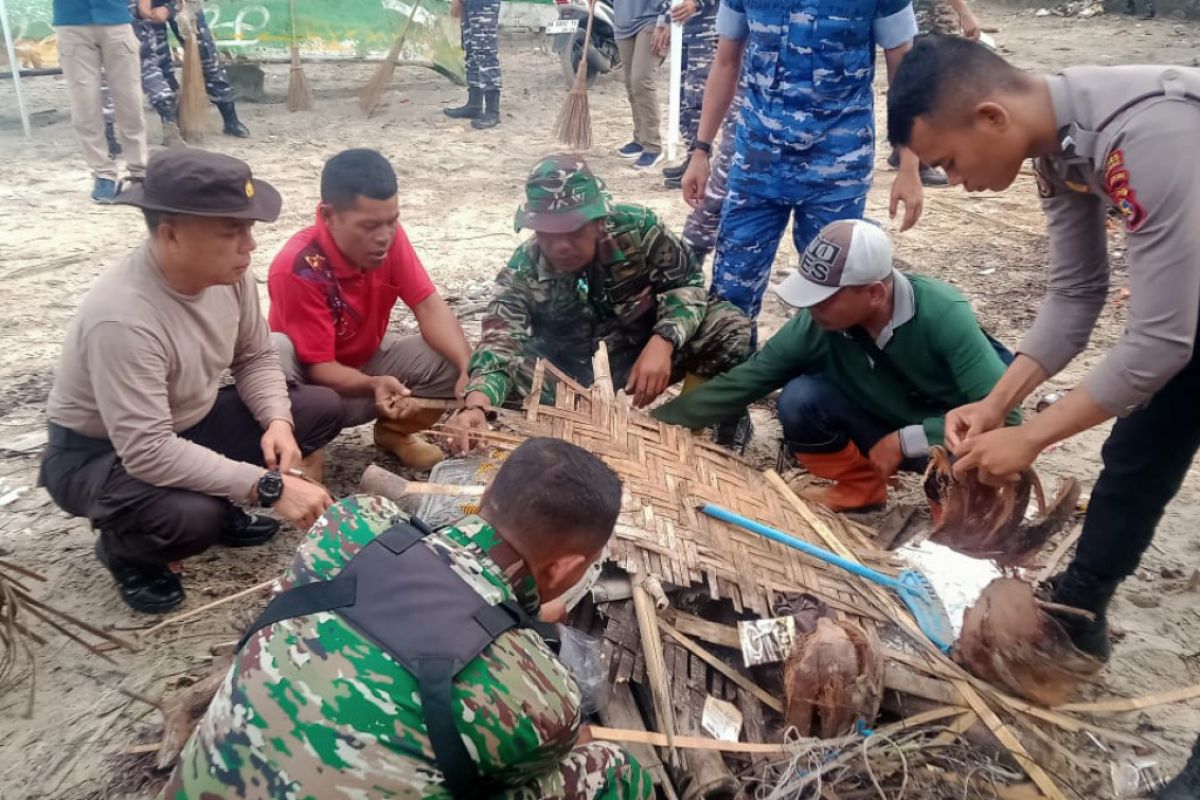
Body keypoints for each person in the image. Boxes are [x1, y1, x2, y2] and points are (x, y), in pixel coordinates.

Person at [886, 35, 1200, 660]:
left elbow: (1162, 340)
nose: (956, 180)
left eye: (948, 160)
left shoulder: (1149, 136)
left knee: (1148, 424)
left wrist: (1030, 438)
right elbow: (1077, 295)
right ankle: (1081, 608)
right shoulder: (1057, 148)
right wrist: (998, 405)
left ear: (991, 118)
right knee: (1139, 446)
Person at [161, 438, 655, 800]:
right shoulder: (545, 696)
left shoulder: (352, 524)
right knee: (611, 771)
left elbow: (439, 594)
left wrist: (521, 612)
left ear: (484, 501)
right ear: (568, 567)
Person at [39, 150, 344, 615]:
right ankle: (128, 550)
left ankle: (218, 504)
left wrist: (277, 421)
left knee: (317, 408)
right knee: (188, 518)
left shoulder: (228, 273)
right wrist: (270, 487)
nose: (250, 246)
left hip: (181, 424)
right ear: (171, 234)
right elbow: (147, 449)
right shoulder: (122, 317)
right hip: (98, 456)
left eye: (248, 230)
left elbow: (255, 355)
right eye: (231, 232)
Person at [653, 220, 1018, 512]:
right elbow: (748, 380)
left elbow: (1007, 419)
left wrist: (908, 440)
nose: (811, 309)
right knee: (799, 398)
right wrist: (655, 426)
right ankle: (862, 488)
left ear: (874, 293)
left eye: (824, 299)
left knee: (975, 462)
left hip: (941, 438)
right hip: (875, 429)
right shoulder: (817, 324)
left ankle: (954, 507)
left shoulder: (943, 314)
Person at [447, 154, 752, 453]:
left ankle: (693, 422)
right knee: (509, 384)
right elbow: (500, 343)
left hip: (640, 352)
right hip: (570, 370)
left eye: (574, 230)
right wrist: (478, 404)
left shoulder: (639, 230)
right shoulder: (523, 269)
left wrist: (665, 340)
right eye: (548, 233)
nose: (561, 245)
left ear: (599, 221)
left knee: (728, 326)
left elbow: (688, 284)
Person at [680, 0, 926, 329]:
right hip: (757, 162)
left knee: (837, 297)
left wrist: (909, 164)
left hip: (837, 166)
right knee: (729, 297)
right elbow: (726, 62)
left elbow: (903, 70)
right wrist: (701, 151)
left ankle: (824, 380)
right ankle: (729, 377)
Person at [269, 149, 471, 472]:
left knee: (449, 356)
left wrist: (467, 370)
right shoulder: (297, 267)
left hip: (366, 367)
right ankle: (306, 451)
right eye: (370, 226)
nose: (385, 237)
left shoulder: (390, 238)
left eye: (392, 222)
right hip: (311, 387)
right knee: (274, 352)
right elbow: (319, 367)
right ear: (327, 215)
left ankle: (395, 433)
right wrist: (373, 384)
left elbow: (429, 305)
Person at [101, 0, 250, 148]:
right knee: (157, 62)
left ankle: (230, 119)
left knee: (205, 56)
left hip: (182, 3)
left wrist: (169, 7)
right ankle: (172, 126)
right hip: (142, 7)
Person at [52, 0, 149, 203]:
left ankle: (139, 172)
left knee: (130, 100)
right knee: (84, 103)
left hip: (116, 20)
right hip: (72, 23)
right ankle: (103, 173)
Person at [662, 0, 719, 189]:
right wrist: (665, 21)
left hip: (707, 31)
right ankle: (691, 155)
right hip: (683, 32)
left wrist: (697, 2)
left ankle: (700, 159)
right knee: (681, 99)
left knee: (697, 99)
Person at [614, 0, 669, 170]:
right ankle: (640, 138)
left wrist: (666, 20)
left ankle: (653, 145)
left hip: (653, 20)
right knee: (630, 83)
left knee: (641, 81)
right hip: (623, 21)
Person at [444, 0, 502, 129]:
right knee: (470, 50)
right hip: (468, 3)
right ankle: (474, 105)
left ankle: (492, 111)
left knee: (485, 52)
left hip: (484, 4)